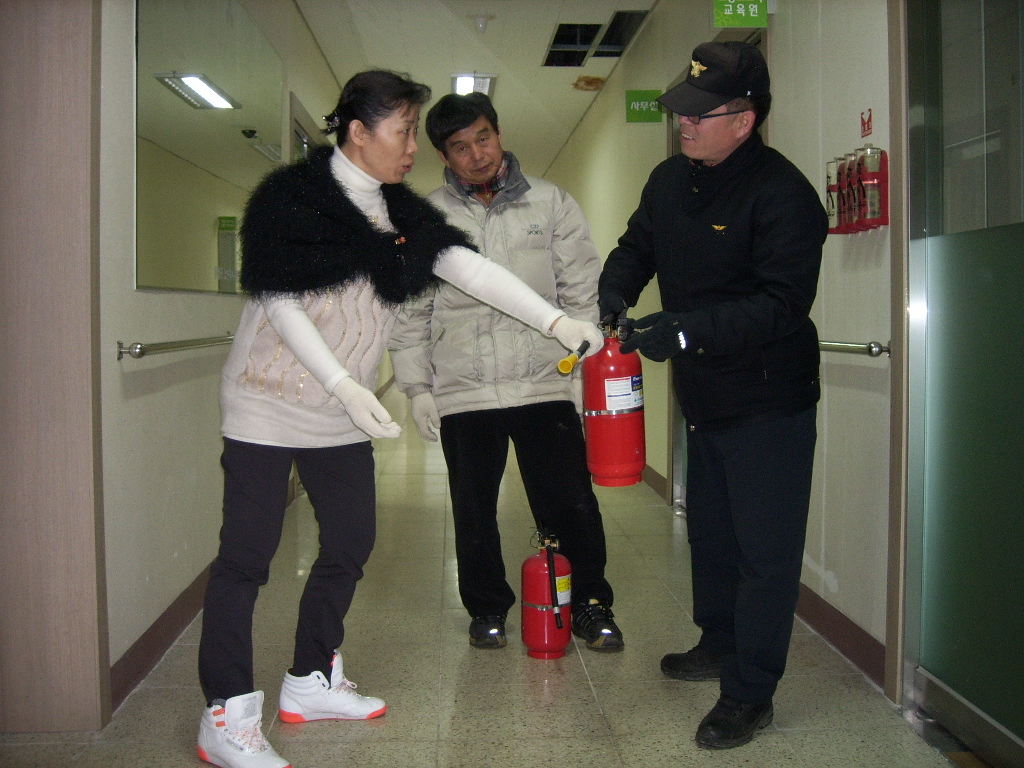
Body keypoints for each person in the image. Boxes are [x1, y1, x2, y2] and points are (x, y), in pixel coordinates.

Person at [196, 70, 603, 768]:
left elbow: (469, 269)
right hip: (267, 401)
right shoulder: (289, 199)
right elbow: (281, 304)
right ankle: (225, 714)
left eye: (415, 132)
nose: (415, 147)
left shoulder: (399, 211)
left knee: (349, 543)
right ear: (359, 132)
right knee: (247, 558)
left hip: (340, 411)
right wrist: (343, 383)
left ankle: (310, 680)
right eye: (404, 131)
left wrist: (557, 321)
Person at [599, 42, 827, 749]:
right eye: (681, 113)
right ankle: (718, 641)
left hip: (769, 402)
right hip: (704, 399)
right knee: (713, 535)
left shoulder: (784, 196)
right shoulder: (671, 180)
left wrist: (686, 330)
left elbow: (781, 305)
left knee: (764, 552)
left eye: (700, 115)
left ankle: (750, 693)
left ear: (745, 119)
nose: (684, 125)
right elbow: (637, 246)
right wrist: (614, 290)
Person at [388, 93, 624, 652]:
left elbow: (580, 291)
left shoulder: (551, 202)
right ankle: (487, 608)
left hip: (543, 380)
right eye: (460, 147)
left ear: (498, 133)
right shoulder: (425, 216)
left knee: (570, 503)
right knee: (473, 509)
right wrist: (417, 387)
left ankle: (590, 604)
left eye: (484, 138)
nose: (477, 155)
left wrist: (581, 370)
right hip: (465, 389)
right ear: (443, 155)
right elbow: (411, 309)